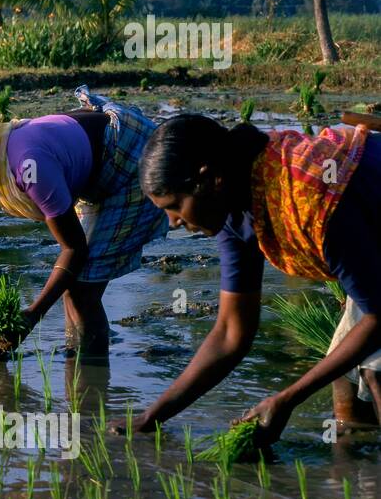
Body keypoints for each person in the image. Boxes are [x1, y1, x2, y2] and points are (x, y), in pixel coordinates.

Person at [119, 114, 381, 447]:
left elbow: (377, 317)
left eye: (174, 207)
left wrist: (287, 399)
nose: (171, 223)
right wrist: (150, 418)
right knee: (346, 385)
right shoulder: (235, 209)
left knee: (375, 374)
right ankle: (359, 485)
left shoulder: (311, 196)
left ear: (208, 178)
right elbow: (231, 332)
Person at [0, 88, 167, 358]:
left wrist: (31, 316)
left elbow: (74, 249)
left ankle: (89, 385)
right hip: (92, 179)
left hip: (127, 157)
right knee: (75, 293)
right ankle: (79, 375)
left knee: (81, 292)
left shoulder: (26, 163)